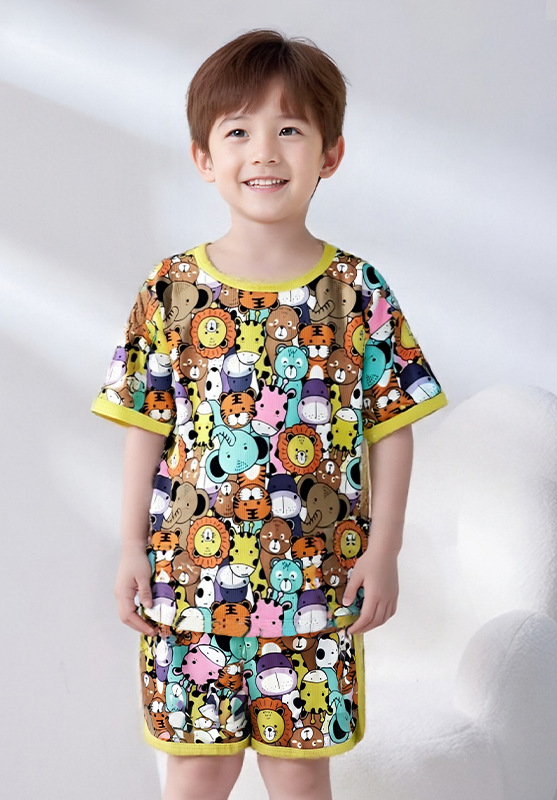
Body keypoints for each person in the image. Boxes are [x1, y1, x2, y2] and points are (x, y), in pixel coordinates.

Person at [92, 29, 447, 800]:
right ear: (203, 157)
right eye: (238, 132)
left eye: (289, 129)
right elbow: (145, 427)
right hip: (190, 586)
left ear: (330, 153)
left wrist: (384, 552)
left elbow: (393, 428)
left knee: (298, 777)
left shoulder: (358, 290)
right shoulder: (170, 288)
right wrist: (129, 549)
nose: (264, 152)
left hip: (316, 588)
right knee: (197, 771)